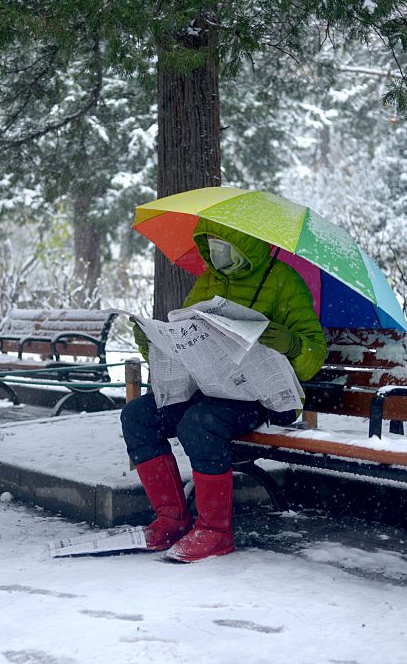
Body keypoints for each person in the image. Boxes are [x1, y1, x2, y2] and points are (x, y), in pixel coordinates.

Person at [122, 218, 327, 562]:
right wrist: (151, 344)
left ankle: (215, 531)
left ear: (246, 245)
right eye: (210, 243)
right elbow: (187, 346)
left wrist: (291, 343)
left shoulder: (284, 281)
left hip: (259, 398)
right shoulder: (210, 281)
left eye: (224, 244)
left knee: (200, 424)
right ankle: (171, 519)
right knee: (138, 415)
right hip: (210, 389)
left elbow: (313, 358)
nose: (216, 252)